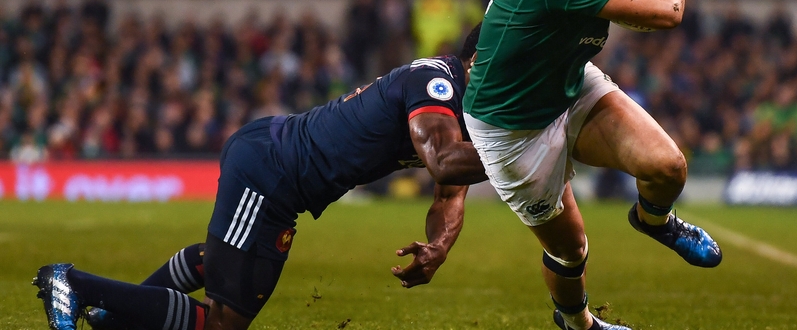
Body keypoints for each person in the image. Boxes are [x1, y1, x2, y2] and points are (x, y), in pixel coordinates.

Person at [33, 24, 487, 330]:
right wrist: (521, 158)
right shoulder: (436, 80)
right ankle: (74, 284)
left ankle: (115, 316)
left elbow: (449, 195)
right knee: (223, 322)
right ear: (477, 60)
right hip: (272, 169)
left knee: (225, 259)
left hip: (279, 172)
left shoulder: (469, 114)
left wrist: (440, 245)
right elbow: (443, 161)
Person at [462, 0, 722, 330]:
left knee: (667, 167)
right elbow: (668, 12)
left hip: (567, 81)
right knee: (571, 250)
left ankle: (654, 221)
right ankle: (579, 323)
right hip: (511, 128)